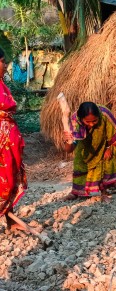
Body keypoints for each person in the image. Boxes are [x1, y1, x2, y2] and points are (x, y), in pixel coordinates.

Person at [63, 102, 116, 203]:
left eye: (95, 121)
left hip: (102, 146)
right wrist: (67, 141)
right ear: (81, 119)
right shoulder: (74, 122)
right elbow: (69, 149)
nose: (91, 124)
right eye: (87, 122)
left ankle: (104, 192)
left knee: (106, 161)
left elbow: (114, 134)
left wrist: (108, 148)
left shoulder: (105, 115)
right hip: (83, 149)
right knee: (80, 165)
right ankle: (75, 192)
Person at [0, 48, 28, 230]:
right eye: (3, 62)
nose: (5, 66)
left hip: (8, 140)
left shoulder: (2, 84)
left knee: (10, 176)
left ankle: (10, 219)